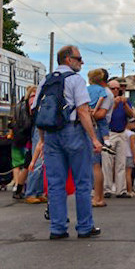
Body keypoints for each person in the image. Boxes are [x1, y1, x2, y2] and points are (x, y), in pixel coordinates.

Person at [34, 45, 102, 239]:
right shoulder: (75, 80)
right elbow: (82, 111)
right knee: (82, 181)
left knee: (56, 184)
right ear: (68, 59)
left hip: (51, 136)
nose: (82, 62)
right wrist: (94, 138)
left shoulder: (45, 81)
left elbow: (38, 112)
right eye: (79, 58)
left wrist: (41, 139)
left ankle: (57, 228)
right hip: (73, 132)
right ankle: (84, 226)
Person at [104, 79, 133, 198]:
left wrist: (125, 104)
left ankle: (121, 189)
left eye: (118, 88)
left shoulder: (124, 101)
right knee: (107, 162)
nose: (116, 90)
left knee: (121, 162)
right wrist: (115, 104)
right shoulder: (107, 100)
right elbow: (106, 115)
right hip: (110, 132)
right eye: (113, 88)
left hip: (121, 132)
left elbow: (131, 115)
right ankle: (107, 188)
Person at [87, 69, 111, 206]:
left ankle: (97, 197)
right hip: (99, 125)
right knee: (97, 165)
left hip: (94, 125)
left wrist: (90, 113)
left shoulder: (89, 90)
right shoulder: (103, 91)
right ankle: (99, 196)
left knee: (95, 165)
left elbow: (101, 115)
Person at [10, 85, 37, 200]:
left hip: (24, 137)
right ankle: (27, 190)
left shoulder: (19, 105)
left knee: (26, 165)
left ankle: (18, 189)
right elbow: (33, 117)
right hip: (32, 136)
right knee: (29, 164)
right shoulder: (32, 102)